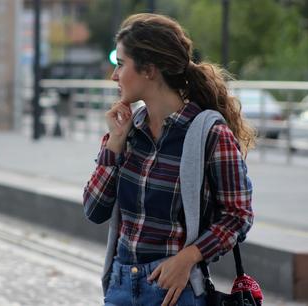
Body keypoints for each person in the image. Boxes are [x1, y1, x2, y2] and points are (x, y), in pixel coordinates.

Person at [83, 13, 255, 306]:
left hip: (176, 291)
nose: (114, 75)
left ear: (149, 70)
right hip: (120, 287)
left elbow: (238, 216)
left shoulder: (209, 134)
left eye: (120, 64)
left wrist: (188, 258)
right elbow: (94, 209)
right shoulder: (128, 131)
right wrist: (114, 143)